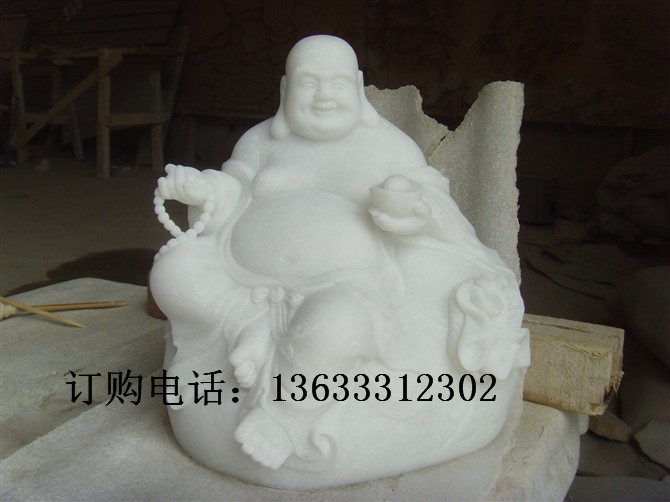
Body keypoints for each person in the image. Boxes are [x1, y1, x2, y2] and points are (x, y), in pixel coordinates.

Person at [150, 35, 529, 473]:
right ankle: (246, 326)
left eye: (337, 83)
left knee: (337, 325)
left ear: (358, 86)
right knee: (173, 270)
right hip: (245, 285)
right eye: (309, 83)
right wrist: (205, 190)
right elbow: (233, 192)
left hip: (351, 287)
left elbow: (432, 203)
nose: (324, 96)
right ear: (285, 90)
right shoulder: (258, 143)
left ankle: (287, 416)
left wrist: (414, 211)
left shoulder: (389, 146)